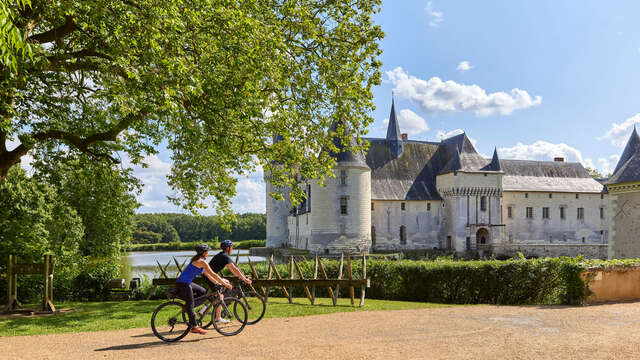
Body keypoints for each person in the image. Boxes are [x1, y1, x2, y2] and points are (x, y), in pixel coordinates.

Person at [175, 243, 232, 335]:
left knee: (203, 293)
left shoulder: (199, 260)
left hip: (186, 282)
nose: (208, 253)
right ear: (204, 253)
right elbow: (214, 274)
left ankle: (189, 309)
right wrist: (225, 283)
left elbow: (209, 275)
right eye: (207, 251)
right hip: (183, 284)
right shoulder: (201, 261)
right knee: (190, 303)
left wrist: (217, 283)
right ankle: (194, 327)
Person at [204, 240, 252, 323]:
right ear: (228, 248)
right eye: (231, 247)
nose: (232, 249)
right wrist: (244, 279)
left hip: (209, 276)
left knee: (226, 282)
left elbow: (235, 269)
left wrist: (242, 276)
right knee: (220, 297)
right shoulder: (225, 257)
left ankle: (210, 305)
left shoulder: (222, 255)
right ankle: (217, 318)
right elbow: (234, 269)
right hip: (210, 277)